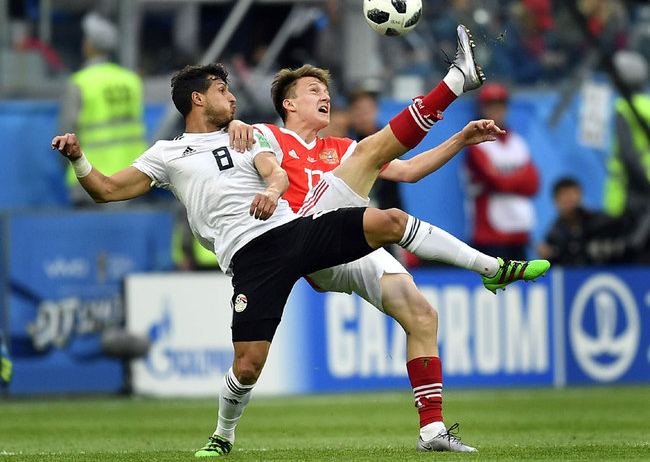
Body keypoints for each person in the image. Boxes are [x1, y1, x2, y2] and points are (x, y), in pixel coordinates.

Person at [52, 58, 550, 458]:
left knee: (394, 234)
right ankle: (222, 436)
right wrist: (79, 158)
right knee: (248, 367)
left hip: (298, 230)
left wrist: (272, 189)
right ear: (199, 98)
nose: (231, 96)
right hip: (252, 257)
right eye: (223, 90)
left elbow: (275, 173)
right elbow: (108, 189)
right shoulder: (180, 149)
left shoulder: (260, 139)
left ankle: (488, 272)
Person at [223, 26, 550, 454]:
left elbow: (409, 171)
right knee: (369, 161)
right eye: (312, 89)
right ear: (288, 103)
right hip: (300, 234)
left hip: (340, 245)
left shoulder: (340, 147)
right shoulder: (269, 135)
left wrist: (460, 138)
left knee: (422, 315)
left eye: (326, 89)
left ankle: (432, 431)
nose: (324, 95)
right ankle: (455, 82)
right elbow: (252, 152)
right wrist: (237, 123)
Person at [58, 12, 147, 206]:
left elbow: (64, 136)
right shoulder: (131, 81)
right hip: (132, 179)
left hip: (91, 181)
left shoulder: (80, 83)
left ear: (88, 45)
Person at [464, 82, 540, 261]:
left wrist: (506, 179)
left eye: (500, 105)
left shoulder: (518, 142)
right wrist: (518, 179)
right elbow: (497, 182)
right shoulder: (476, 144)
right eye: (490, 106)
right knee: (494, 286)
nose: (496, 110)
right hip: (489, 231)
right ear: (482, 109)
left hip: (519, 229)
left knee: (521, 285)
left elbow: (534, 183)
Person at [603, 50, 650, 261]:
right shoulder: (647, 105)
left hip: (631, 195)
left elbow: (628, 155)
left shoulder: (623, 107)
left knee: (632, 256)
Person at [537, 177, 628, 265]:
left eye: (573, 195)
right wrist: (548, 256)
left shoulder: (602, 223)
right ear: (555, 201)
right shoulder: (554, 234)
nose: (569, 200)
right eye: (564, 196)